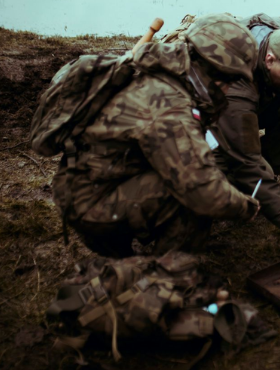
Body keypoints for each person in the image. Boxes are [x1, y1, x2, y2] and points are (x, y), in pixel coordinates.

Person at [51, 14, 261, 258]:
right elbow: (202, 191)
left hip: (92, 182)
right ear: (220, 73)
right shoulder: (170, 104)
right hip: (89, 203)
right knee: (192, 199)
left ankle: (119, 245)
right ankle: (167, 277)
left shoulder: (160, 68)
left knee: (197, 173)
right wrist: (244, 206)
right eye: (232, 80)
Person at [159, 13, 280, 247]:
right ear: (270, 59)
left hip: (251, 95)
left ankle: (268, 177)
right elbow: (245, 159)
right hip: (193, 116)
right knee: (220, 164)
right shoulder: (235, 80)